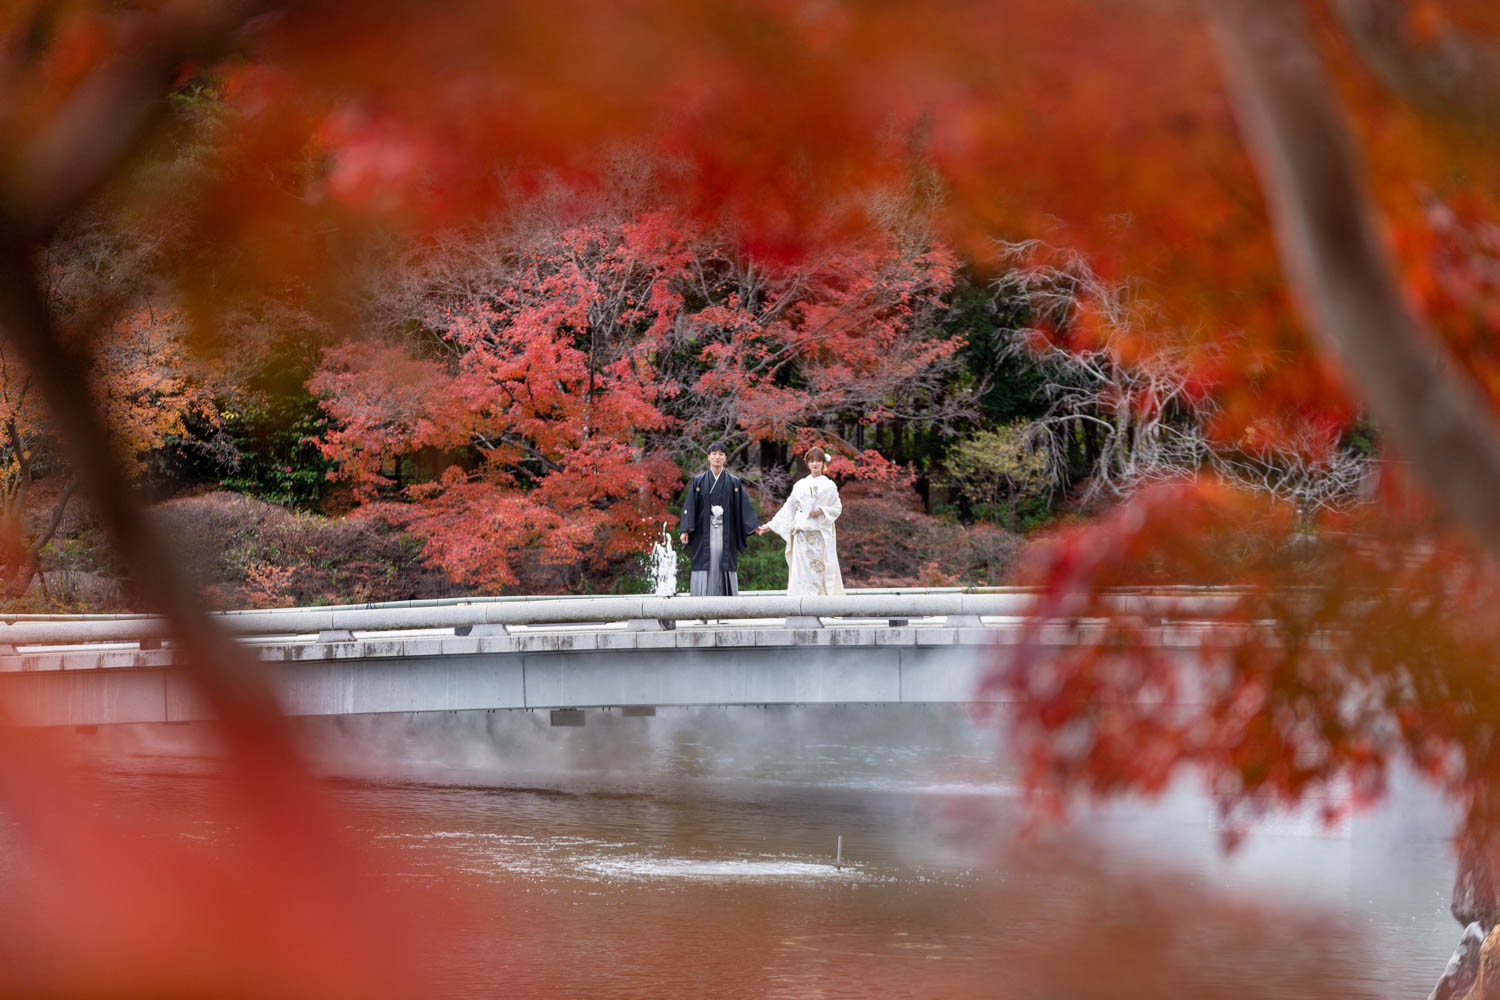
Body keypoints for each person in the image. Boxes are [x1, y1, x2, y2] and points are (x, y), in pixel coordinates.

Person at [758, 446, 844, 596]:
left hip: (819, 535)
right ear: (807, 463)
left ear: (823, 462)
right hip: (801, 535)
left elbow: (836, 507)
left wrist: (822, 510)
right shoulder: (800, 485)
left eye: (818, 461)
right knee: (802, 573)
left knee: (819, 570)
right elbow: (789, 508)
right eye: (812, 461)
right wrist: (769, 526)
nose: (815, 464)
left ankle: (821, 605)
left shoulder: (829, 485)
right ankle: (801, 605)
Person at [678, 441, 760, 596]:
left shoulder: (733, 482)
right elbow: (690, 506)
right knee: (704, 564)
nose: (717, 457)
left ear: (725, 458)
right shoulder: (699, 481)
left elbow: (743, 507)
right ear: (708, 457)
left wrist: (753, 525)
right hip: (703, 532)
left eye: (720, 454)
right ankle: (701, 611)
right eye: (714, 454)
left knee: (724, 563)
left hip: (725, 531)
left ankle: (725, 611)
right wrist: (685, 530)